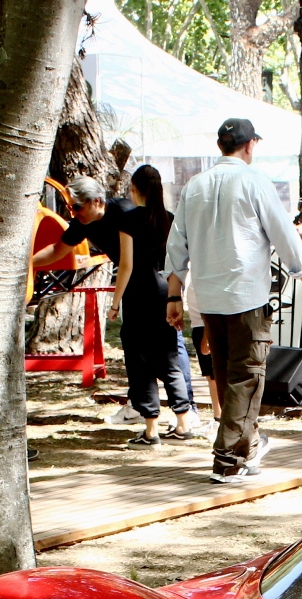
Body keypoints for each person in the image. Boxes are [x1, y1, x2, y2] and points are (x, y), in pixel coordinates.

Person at [165, 117, 302, 483]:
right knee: (246, 377)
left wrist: (174, 295)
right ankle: (228, 459)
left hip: (207, 297)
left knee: (227, 374)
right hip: (245, 296)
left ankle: (247, 447)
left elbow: (177, 246)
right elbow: (286, 238)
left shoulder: (195, 185)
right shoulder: (255, 181)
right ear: (250, 145)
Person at [112, 165, 202, 445]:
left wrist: (115, 303)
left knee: (139, 360)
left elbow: (125, 266)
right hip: (165, 292)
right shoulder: (171, 220)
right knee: (169, 357)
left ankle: (151, 428)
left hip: (138, 294)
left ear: (135, 189)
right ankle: (183, 422)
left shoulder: (129, 220)